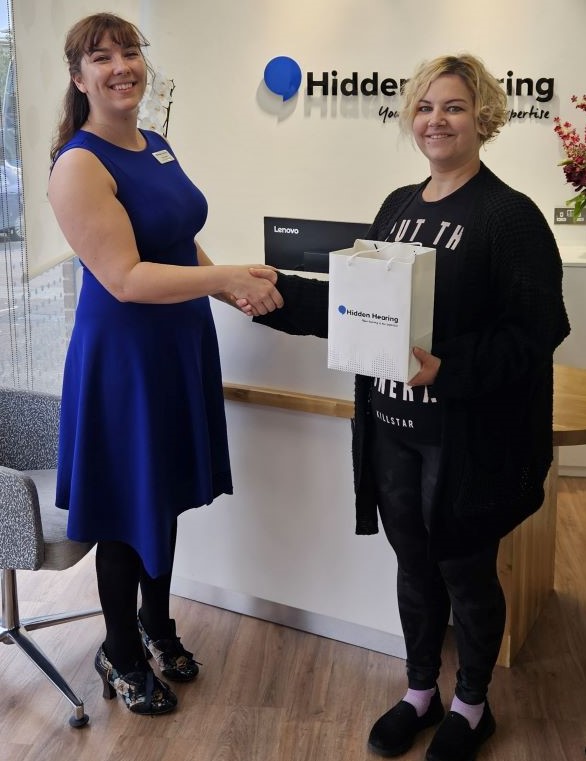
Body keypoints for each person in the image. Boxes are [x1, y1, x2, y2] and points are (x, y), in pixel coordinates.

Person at [250, 54, 570, 761]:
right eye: (426, 107)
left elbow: (538, 331)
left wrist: (449, 369)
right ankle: (421, 691)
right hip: (391, 432)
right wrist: (268, 293)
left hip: (466, 440)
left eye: (453, 107)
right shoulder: (397, 206)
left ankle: (473, 704)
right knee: (414, 566)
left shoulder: (508, 217)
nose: (437, 120)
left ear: (482, 116)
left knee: (465, 572)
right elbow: (357, 305)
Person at [47, 12, 282, 716]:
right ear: (78, 77)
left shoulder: (155, 144)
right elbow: (125, 277)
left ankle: (156, 624)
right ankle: (119, 654)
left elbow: (177, 239)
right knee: (126, 509)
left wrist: (229, 283)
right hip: (124, 359)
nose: (122, 66)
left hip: (177, 345)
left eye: (130, 52)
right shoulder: (79, 164)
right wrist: (226, 277)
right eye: (102, 58)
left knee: (165, 492)